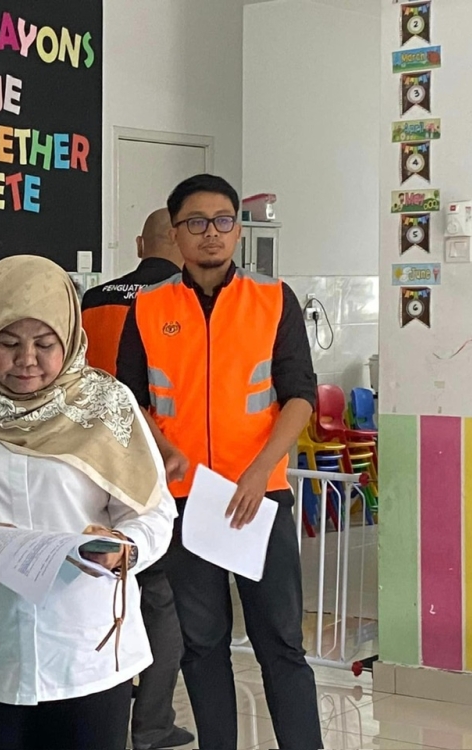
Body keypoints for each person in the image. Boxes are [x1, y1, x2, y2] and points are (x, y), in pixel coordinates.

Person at [0, 255, 177, 750]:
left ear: (69, 338)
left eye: (45, 344)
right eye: (8, 342)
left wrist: (124, 547)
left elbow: (153, 512)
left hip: (86, 654)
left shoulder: (107, 404)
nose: (27, 359)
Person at [116, 174, 322, 750]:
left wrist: (259, 471)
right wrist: (162, 447)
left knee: (280, 643)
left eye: (224, 221)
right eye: (196, 223)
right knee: (202, 646)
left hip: (263, 497)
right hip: (186, 502)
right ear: (176, 235)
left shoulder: (273, 300)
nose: (212, 234)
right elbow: (128, 399)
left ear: (237, 229)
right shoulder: (150, 309)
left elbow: (299, 395)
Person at [81, 208, 193, 750]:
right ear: (176, 239)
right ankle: (151, 724)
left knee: (100, 592)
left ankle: (103, 705)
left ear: (137, 242)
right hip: (157, 468)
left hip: (88, 467)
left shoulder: (95, 298)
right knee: (161, 600)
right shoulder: (179, 301)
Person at [81, 208, 184, 375]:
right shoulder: (193, 299)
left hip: (97, 400)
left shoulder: (93, 298)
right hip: (162, 401)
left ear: (139, 245)